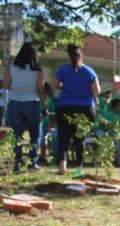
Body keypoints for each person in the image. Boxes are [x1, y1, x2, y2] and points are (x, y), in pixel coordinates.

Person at [54, 44, 100, 174]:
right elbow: (97, 91)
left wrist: (64, 86)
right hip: (85, 108)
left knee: (63, 136)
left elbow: (55, 85)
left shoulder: (62, 70)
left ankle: (63, 165)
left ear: (69, 56)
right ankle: (79, 167)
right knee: (80, 138)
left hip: (65, 106)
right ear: (81, 56)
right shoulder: (89, 71)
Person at [4, 41, 45, 171]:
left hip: (14, 101)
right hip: (32, 102)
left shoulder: (11, 66)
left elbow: (6, 85)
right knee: (34, 134)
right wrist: (43, 106)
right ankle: (32, 163)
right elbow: (40, 89)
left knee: (17, 135)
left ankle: (17, 162)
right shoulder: (38, 70)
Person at [37, 82, 57, 165]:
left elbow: (54, 113)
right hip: (42, 122)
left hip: (47, 123)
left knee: (43, 139)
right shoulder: (40, 100)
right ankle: (42, 156)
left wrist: (51, 122)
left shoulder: (49, 101)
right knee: (42, 139)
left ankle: (43, 156)